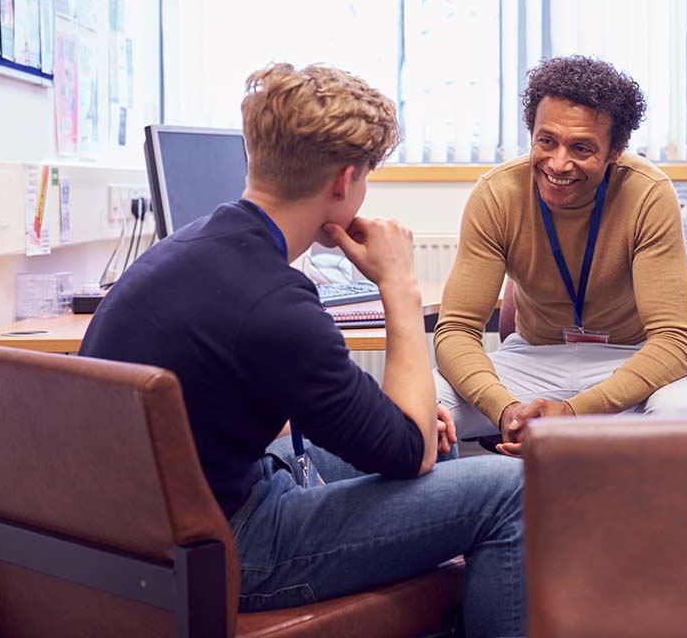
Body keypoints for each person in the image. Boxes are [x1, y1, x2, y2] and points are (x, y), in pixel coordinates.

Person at [79, 63, 525, 637]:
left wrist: (409, 430)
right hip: (228, 547)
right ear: (344, 182)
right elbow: (408, 451)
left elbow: (391, 432)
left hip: (149, 525)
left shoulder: (190, 246)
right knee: (509, 490)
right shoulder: (275, 302)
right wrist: (400, 286)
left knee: (445, 447)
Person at [434, 55, 687, 457]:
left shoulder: (648, 194)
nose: (558, 163)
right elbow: (456, 330)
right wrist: (506, 410)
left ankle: (647, 522)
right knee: (421, 405)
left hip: (628, 359)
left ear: (614, 151)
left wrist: (574, 412)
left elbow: (673, 342)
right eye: (546, 141)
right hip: (533, 360)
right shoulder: (498, 194)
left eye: (581, 148)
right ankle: (467, 515)